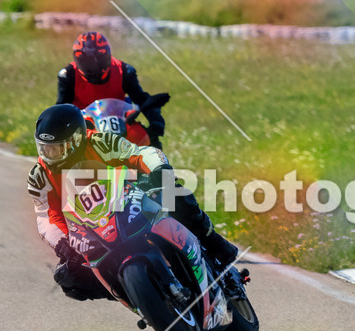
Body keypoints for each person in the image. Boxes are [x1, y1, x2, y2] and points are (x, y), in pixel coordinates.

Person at [26, 103, 238, 301]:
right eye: (45, 148)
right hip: (89, 228)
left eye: (58, 148)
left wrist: (158, 170)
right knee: (68, 279)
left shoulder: (100, 142)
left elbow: (138, 154)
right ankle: (136, 295)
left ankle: (214, 243)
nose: (50, 155)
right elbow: (47, 216)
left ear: (77, 139)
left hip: (129, 198)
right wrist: (62, 243)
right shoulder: (39, 176)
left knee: (172, 191)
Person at [57, 31, 168, 148]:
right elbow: (61, 108)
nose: (93, 66)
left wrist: (156, 122)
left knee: (151, 142)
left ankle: (156, 159)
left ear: (107, 55)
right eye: (87, 61)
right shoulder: (68, 75)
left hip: (119, 124)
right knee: (59, 148)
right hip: (83, 127)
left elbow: (140, 99)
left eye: (98, 60)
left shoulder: (124, 71)